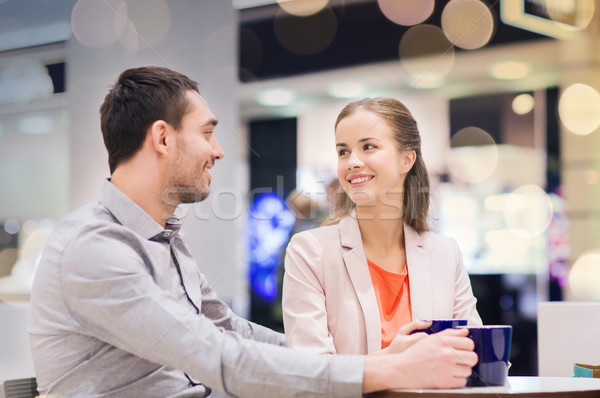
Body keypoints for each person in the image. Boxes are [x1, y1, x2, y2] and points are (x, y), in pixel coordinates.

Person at [29, 67, 477, 397]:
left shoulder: (163, 241)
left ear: (408, 160)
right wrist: (381, 371)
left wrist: (359, 362)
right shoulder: (94, 247)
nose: (219, 151)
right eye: (208, 133)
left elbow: (232, 332)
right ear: (163, 139)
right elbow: (217, 357)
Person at [282, 97, 482, 355]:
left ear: (406, 160)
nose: (352, 161)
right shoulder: (310, 252)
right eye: (343, 151)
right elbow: (313, 374)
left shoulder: (445, 253)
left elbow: (473, 355)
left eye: (368, 146)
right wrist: (394, 360)